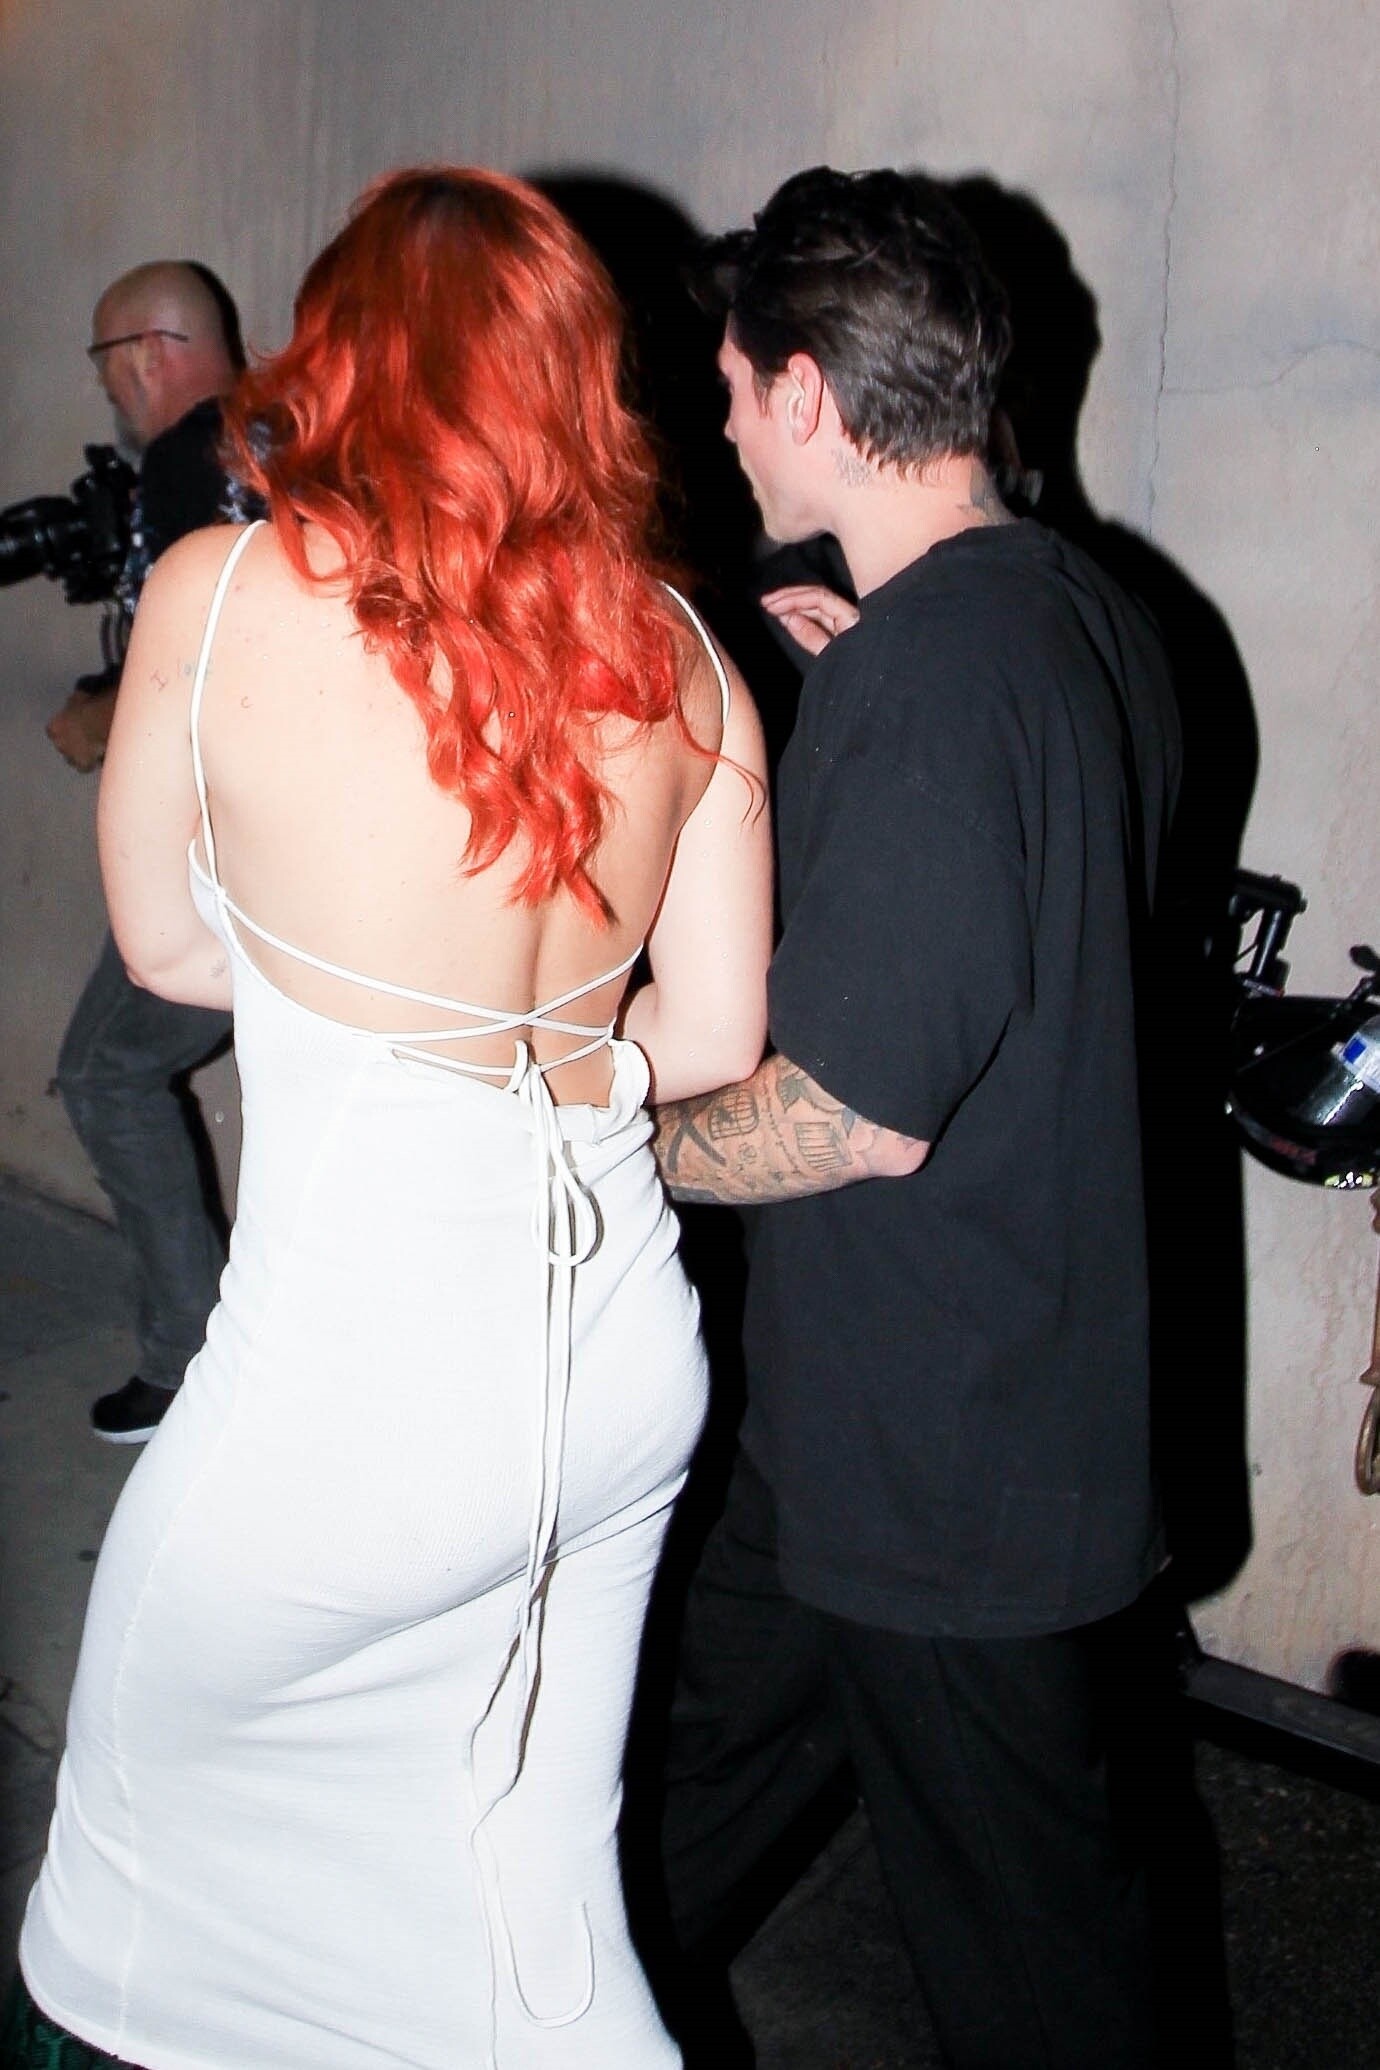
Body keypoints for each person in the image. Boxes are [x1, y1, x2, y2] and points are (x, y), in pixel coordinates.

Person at [9, 168, 771, 2069]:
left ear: (334, 361)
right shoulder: (685, 654)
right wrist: (546, 1056)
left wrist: (371, 1009)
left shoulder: (221, 589)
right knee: (531, 1895)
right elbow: (717, 1030)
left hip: (350, 1395)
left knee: (127, 1898)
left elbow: (167, 947)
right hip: (615, 1376)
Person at [650, 167, 1183, 2069]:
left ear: (807, 394)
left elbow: (854, 1118)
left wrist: (595, 1132)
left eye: (734, 388)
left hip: (943, 1467)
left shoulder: (938, 677)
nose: (724, 428)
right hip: (875, 1435)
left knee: (1043, 1974)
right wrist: (862, 687)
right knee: (645, 1837)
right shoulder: (1078, 618)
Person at [49, 260, 252, 1444]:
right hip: (303, 832)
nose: (109, 391)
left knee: (104, 1071)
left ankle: (189, 1360)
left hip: (230, 837)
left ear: (140, 354)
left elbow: (205, 658)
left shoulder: (190, 457)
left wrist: (107, 714)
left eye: (106, 363)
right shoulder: (281, 437)